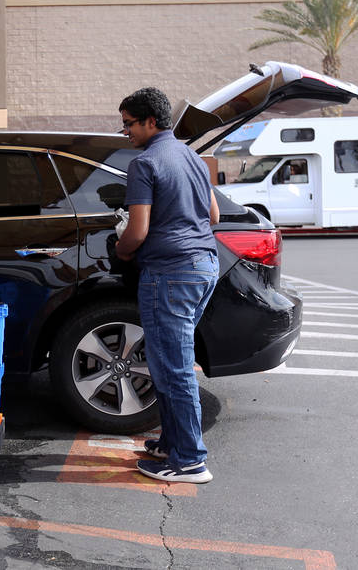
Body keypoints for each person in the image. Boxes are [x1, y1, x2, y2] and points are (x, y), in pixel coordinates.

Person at [114, 87, 220, 484]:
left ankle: (191, 460)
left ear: (150, 121)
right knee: (172, 363)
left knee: (173, 369)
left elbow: (137, 231)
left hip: (170, 274)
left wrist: (123, 250)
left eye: (128, 123)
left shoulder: (144, 164)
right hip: (203, 267)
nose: (125, 131)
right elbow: (212, 215)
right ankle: (172, 443)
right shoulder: (191, 156)